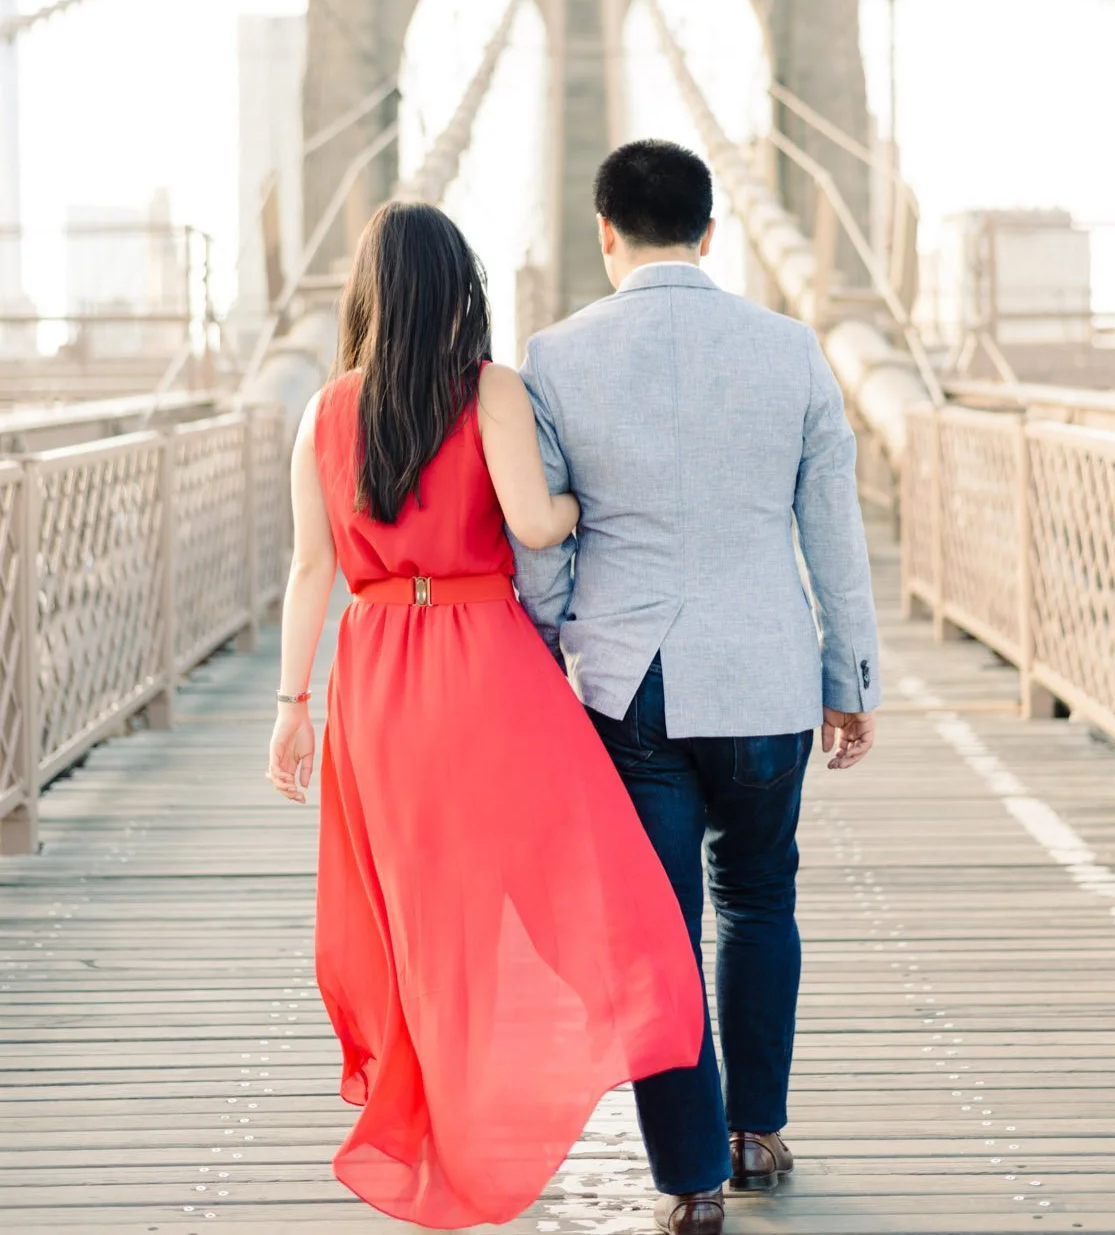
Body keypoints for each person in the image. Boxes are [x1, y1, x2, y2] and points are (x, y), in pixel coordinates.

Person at [265, 201, 703, 1229]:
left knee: (418, 915)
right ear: (460, 286)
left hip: (375, 675)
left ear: (368, 294)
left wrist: (292, 708)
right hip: (483, 663)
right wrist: (591, 498)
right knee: (570, 883)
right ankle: (604, 1048)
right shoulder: (489, 391)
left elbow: (306, 570)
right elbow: (535, 522)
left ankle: (442, 1132)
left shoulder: (324, 411)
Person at [509, 138, 882, 1235]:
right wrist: (849, 675)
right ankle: (757, 1128)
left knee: (657, 931)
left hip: (630, 683)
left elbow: (540, 550)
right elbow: (835, 535)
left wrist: (546, 651)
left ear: (603, 231)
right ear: (713, 233)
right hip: (765, 673)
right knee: (761, 895)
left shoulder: (555, 356)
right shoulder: (791, 349)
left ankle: (689, 1182)